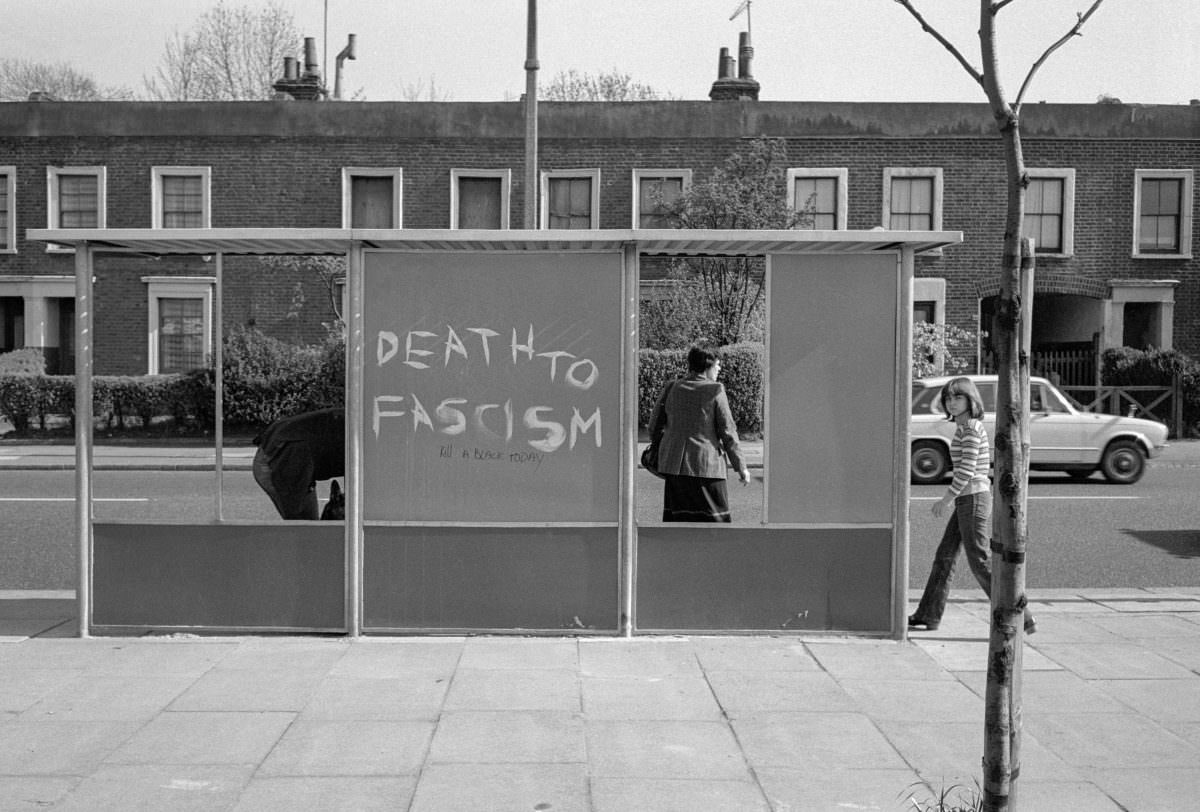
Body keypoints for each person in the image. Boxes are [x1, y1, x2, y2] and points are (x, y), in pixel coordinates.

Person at [908, 377, 1036, 634]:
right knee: (945, 556)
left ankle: (1021, 616)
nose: (952, 403)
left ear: (971, 400)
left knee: (980, 561)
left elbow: (966, 470)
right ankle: (928, 615)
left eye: (958, 397)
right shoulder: (965, 427)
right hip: (968, 499)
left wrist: (945, 500)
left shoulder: (970, 429)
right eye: (948, 398)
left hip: (973, 498)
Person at [647, 345, 751, 522]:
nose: (719, 369)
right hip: (707, 468)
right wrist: (741, 467)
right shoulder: (715, 390)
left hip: (675, 469)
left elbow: (654, 426)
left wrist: (665, 446)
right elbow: (728, 432)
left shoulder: (672, 387)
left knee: (679, 528)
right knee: (715, 528)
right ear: (707, 366)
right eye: (717, 364)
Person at [252, 407, 344, 520]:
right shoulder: (362, 432)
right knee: (305, 530)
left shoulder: (359, 422)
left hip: (283, 447)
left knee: (310, 529)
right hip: (280, 456)